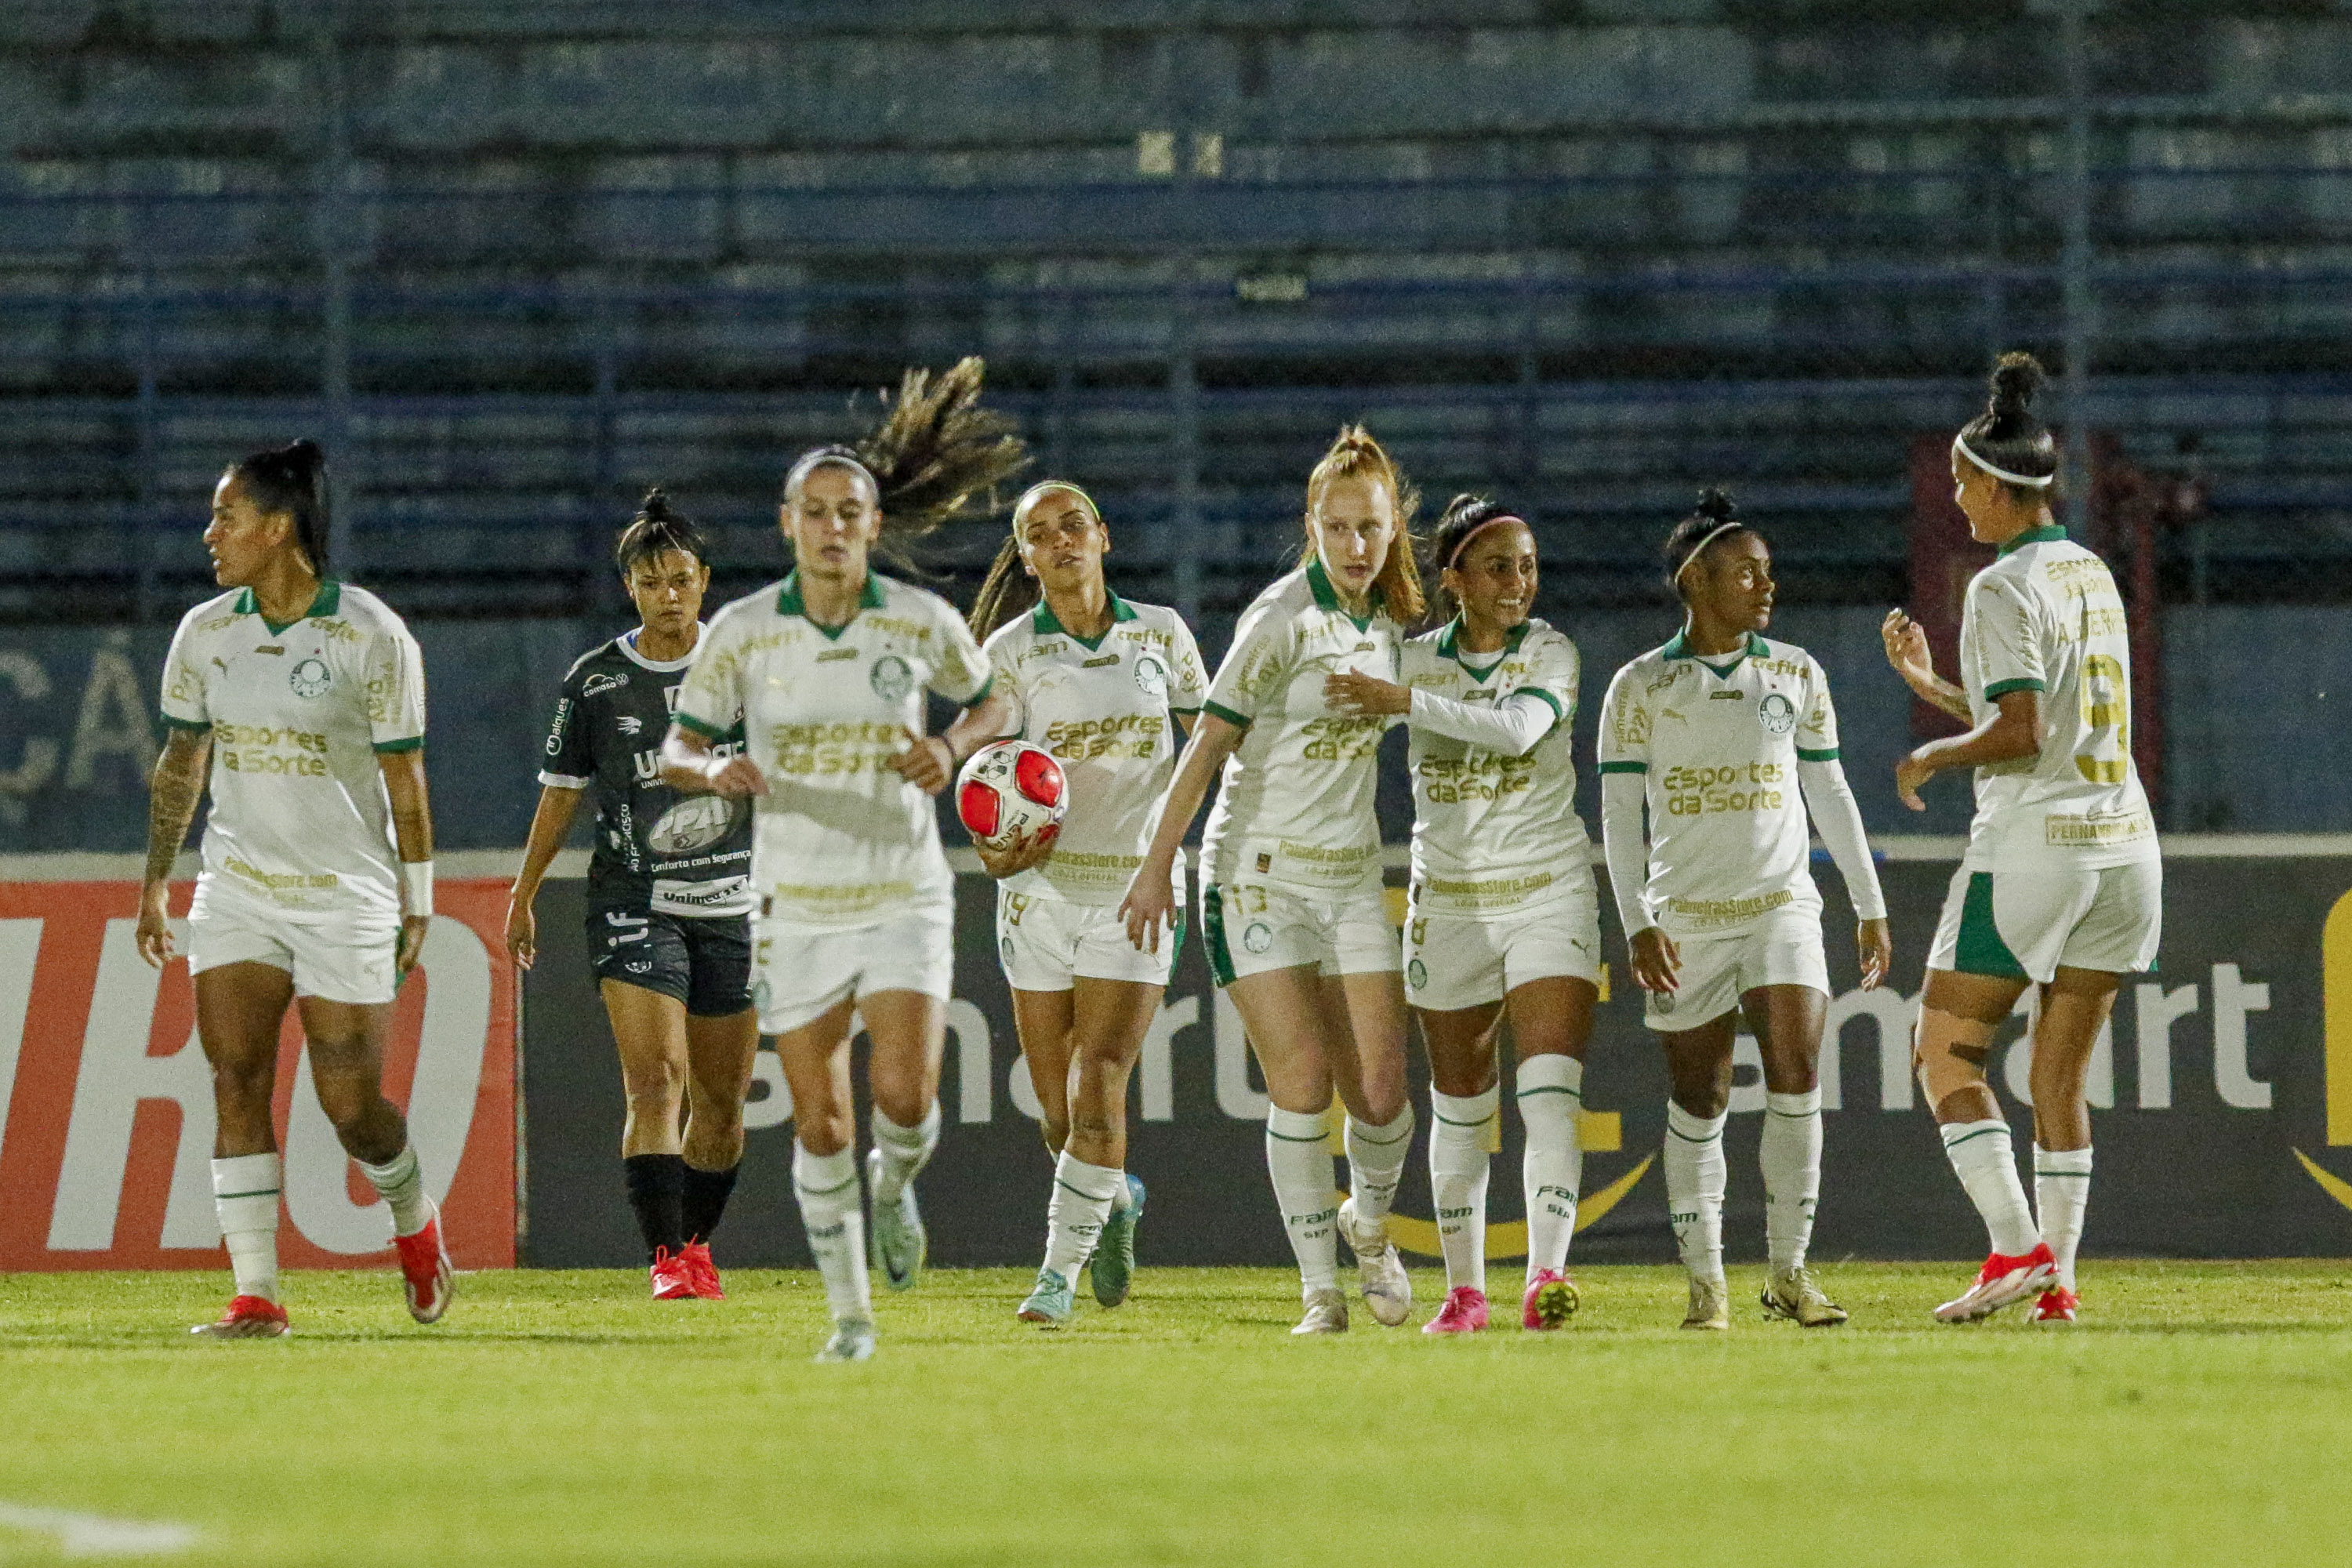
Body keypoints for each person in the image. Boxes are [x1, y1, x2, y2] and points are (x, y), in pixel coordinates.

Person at [662, 358, 1023, 1363]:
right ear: (787, 523)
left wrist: (951, 748)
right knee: (817, 1115)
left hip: (902, 888)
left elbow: (998, 699)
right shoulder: (741, 632)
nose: (832, 527)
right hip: (794, 900)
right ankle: (852, 1318)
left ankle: (897, 1182)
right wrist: (712, 765)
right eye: (814, 511)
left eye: (848, 512)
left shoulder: (916, 620)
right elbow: (676, 745)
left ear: (872, 525)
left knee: (904, 1099)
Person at [138, 439, 450, 1337]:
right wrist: (157, 881)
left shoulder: (370, 634)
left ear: (278, 529)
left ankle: (412, 1217)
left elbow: (405, 774)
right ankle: (257, 1293)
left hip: (345, 892)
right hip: (237, 885)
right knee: (234, 1077)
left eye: (226, 517)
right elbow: (180, 763)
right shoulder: (205, 632)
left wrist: (416, 894)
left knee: (351, 1108)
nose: (211, 534)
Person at [1120, 426, 1425, 1336]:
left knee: (1382, 1094)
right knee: (1300, 1081)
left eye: (1370, 527)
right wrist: (1153, 866)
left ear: (1394, 525)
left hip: (1347, 878)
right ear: (1312, 526)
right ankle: (1318, 1292)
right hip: (1253, 873)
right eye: (1337, 528)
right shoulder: (1279, 618)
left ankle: (1368, 1228)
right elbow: (1207, 744)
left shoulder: (1393, 625)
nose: (1356, 546)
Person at [1882, 353, 2160, 1326]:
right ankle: (2060, 1285)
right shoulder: (2089, 570)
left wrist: (1929, 757)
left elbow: (2020, 733)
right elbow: (2055, 716)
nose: (1957, 498)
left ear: (2004, 488)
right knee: (2056, 1076)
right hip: (2125, 848)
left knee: (1943, 1055)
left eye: (1965, 481)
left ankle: (2014, 1245)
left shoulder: (2001, 589)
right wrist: (1937, 694)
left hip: (2035, 852)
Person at [1597, 487, 1890, 1330]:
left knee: (1798, 1075)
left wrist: (1866, 899)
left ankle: (1791, 1273)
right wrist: (1638, 919)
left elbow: (1826, 787)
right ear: (1696, 579)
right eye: (1745, 572)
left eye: (1769, 572)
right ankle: (1707, 1285)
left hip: (1782, 905)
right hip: (1684, 914)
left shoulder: (1794, 671)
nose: (1766, 586)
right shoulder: (1641, 686)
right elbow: (1621, 816)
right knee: (1701, 1097)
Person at [1325, 496, 1595, 1334]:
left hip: (1548, 887)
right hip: (1450, 902)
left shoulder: (1550, 651)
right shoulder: (1409, 660)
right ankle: (1466, 1291)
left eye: (1528, 564)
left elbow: (1517, 731)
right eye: (1499, 565)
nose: (1520, 582)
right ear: (1455, 580)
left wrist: (1401, 700)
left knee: (1550, 1093)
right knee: (1461, 1100)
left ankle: (1545, 1277)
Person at [965, 481, 1208, 1327]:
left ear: (1103, 534)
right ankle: (1117, 1200)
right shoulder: (1010, 650)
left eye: (1073, 523)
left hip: (1133, 892)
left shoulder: (1163, 634)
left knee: (1100, 1079)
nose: (1061, 539)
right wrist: (992, 842)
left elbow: (1205, 747)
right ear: (1027, 558)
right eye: (1040, 532)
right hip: (1038, 895)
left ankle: (1054, 1278)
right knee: (1058, 1113)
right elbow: (990, 779)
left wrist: (1167, 858)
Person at [506, 491, 757, 1301]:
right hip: (634, 900)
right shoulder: (596, 681)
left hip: (734, 903)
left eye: (682, 579)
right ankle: (664, 1259)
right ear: (631, 588)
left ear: (705, 580)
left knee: (719, 1106)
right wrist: (524, 890)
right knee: (657, 1080)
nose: (670, 596)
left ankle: (694, 1243)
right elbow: (561, 792)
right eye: (652, 583)